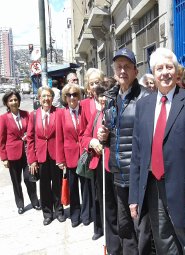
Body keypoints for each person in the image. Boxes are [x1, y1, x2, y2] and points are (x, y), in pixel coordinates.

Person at [128, 47, 185, 254]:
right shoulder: (143, 105)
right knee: (164, 244)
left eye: (169, 67)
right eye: (159, 68)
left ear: (177, 71)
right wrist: (134, 196)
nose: (164, 72)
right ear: (153, 73)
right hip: (153, 188)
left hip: (184, 192)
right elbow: (137, 155)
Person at [99, 48, 152, 255]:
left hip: (138, 175)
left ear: (136, 71)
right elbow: (113, 133)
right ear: (114, 71)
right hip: (118, 173)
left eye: (127, 66)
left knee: (142, 228)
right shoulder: (112, 99)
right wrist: (105, 138)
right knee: (125, 226)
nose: (122, 71)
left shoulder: (146, 97)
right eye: (119, 67)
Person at [27, 86, 65, 226]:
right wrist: (32, 160)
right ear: (39, 98)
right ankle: (47, 213)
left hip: (56, 155)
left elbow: (63, 135)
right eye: (43, 96)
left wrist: (63, 157)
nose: (46, 99)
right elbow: (30, 139)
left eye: (48, 96)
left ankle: (59, 210)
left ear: (52, 97)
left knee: (57, 184)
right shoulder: (34, 115)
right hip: (41, 156)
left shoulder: (59, 113)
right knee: (43, 187)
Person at [55, 84, 91, 228]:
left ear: (79, 96)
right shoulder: (61, 114)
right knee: (73, 187)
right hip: (69, 156)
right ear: (65, 97)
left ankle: (86, 214)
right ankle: (75, 215)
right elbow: (59, 138)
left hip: (84, 155)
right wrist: (60, 159)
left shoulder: (84, 111)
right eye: (69, 95)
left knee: (86, 187)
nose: (72, 97)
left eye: (75, 94)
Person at [0, 90, 40, 214]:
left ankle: (35, 202)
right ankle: (20, 204)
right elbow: (1, 139)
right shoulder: (3, 118)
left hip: (27, 153)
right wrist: (4, 158)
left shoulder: (26, 114)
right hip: (12, 154)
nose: (14, 102)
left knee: (29, 179)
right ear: (7, 103)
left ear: (19, 101)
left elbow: (31, 131)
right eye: (11, 100)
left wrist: (27, 135)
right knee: (16, 181)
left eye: (15, 99)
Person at [79, 68, 105, 239]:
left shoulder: (109, 98)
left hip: (110, 156)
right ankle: (98, 227)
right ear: (88, 87)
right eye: (92, 83)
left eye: (98, 82)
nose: (95, 86)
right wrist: (91, 142)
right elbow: (82, 134)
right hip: (94, 156)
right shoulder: (84, 105)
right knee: (96, 194)